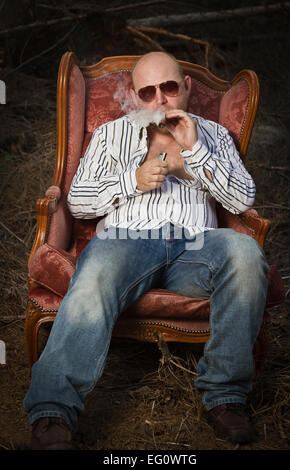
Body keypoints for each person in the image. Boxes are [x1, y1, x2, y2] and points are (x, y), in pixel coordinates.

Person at [24, 51, 269, 449]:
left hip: (197, 246)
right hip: (125, 241)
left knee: (245, 253)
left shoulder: (214, 134)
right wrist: (131, 181)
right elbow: (80, 201)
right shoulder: (110, 134)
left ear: (186, 88)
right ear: (135, 96)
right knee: (97, 269)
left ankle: (225, 396)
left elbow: (242, 200)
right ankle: (53, 409)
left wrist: (193, 154)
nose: (160, 99)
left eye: (170, 87)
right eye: (148, 91)